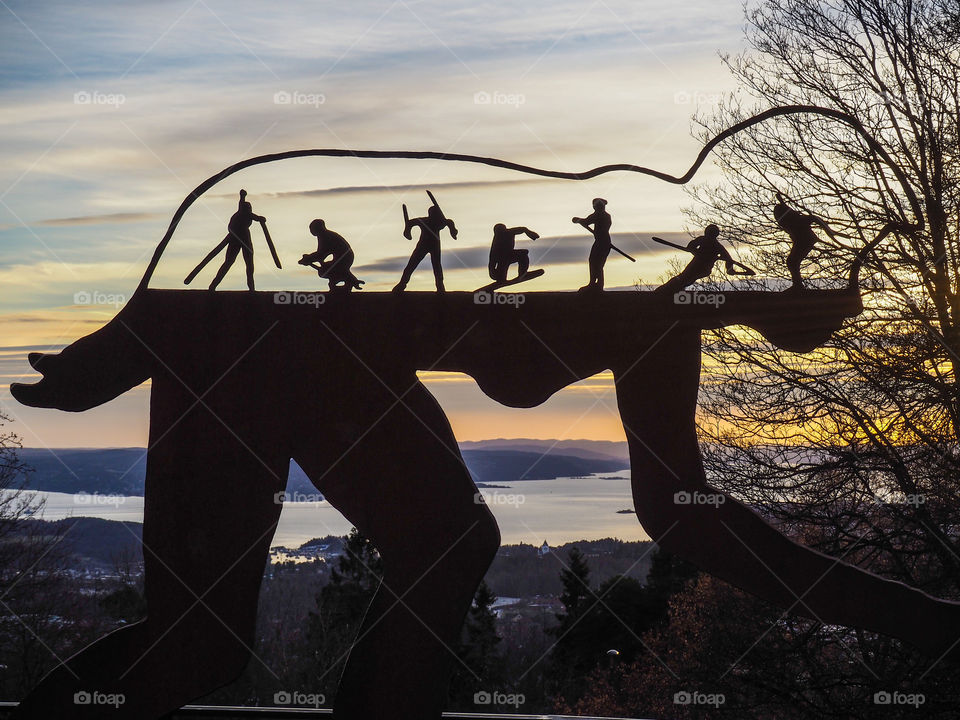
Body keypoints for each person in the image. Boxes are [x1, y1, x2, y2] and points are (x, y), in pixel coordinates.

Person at [773, 193, 836, 289]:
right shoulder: (790, 219)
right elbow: (788, 210)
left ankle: (798, 286)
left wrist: (830, 232)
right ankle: (797, 285)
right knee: (792, 262)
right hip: (801, 241)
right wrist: (781, 201)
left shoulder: (798, 220)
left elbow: (815, 218)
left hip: (806, 241)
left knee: (792, 262)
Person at [393, 199, 458, 293]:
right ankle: (402, 284)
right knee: (413, 264)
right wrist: (407, 231)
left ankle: (440, 285)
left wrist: (453, 231)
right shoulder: (430, 221)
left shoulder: (438, 222)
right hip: (423, 245)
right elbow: (410, 223)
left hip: (432, 245)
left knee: (435, 266)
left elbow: (450, 223)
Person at [208, 189, 265, 291]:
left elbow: (251, 213)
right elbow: (243, 206)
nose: (249, 209)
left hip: (243, 239)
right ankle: (213, 285)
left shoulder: (245, 213)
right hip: (235, 238)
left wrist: (260, 218)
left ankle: (251, 287)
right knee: (230, 262)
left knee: (248, 264)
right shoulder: (242, 213)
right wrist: (242, 196)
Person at [658, 224, 734, 294]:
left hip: (704, 268)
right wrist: (696, 252)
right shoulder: (703, 240)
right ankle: (666, 290)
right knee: (683, 278)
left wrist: (729, 269)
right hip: (696, 265)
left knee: (684, 279)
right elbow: (690, 247)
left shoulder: (717, 246)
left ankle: (667, 290)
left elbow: (728, 259)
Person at [299, 219, 363, 291]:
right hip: (345, 257)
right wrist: (310, 258)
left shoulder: (325, 236)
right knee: (330, 269)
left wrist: (309, 258)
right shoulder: (325, 235)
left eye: (312, 229)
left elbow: (321, 254)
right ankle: (351, 281)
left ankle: (349, 281)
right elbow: (321, 254)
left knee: (326, 270)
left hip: (345, 258)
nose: (311, 231)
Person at [572, 198, 612, 291]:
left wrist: (578, 220)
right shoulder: (604, 215)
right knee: (595, 262)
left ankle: (596, 284)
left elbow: (586, 221)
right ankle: (595, 283)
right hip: (603, 241)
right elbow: (587, 221)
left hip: (602, 241)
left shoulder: (600, 215)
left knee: (596, 262)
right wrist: (580, 221)